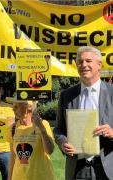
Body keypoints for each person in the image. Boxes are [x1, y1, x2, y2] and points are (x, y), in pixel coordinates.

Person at [54, 46, 113, 180]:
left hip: (108, 170)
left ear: (99, 65)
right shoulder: (66, 95)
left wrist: (112, 133)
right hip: (77, 169)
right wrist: (63, 143)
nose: (83, 65)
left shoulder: (112, 93)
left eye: (88, 61)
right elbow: (58, 129)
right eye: (80, 62)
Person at [7, 98, 55, 180]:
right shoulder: (13, 128)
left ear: (28, 107)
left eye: (16, 106)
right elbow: (13, 158)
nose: (13, 109)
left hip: (41, 177)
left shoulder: (43, 124)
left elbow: (49, 151)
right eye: (13, 106)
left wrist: (42, 130)